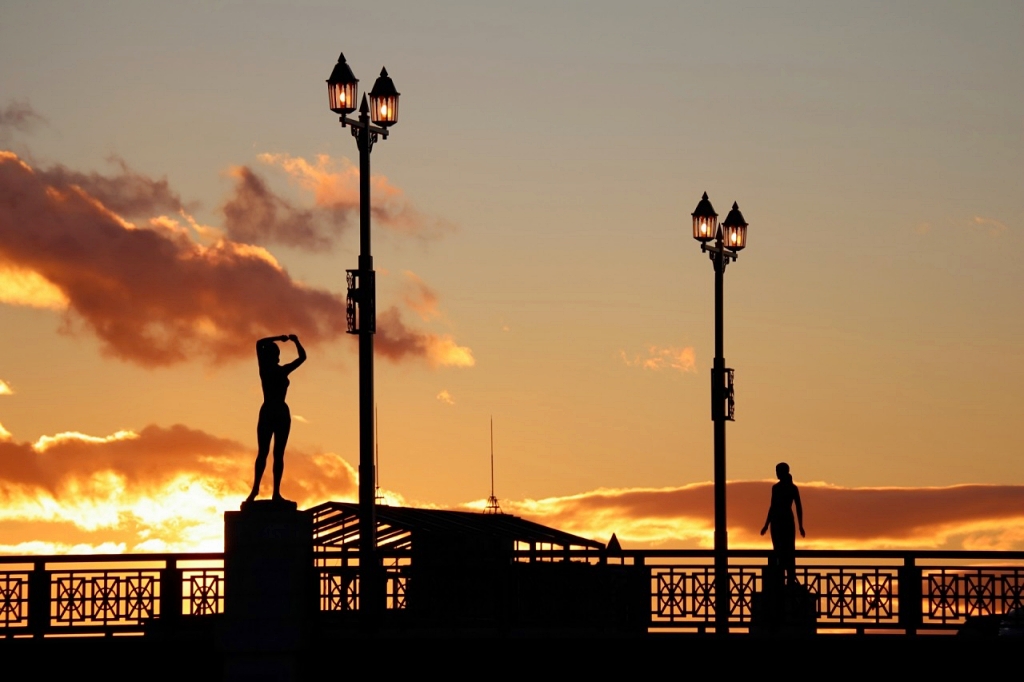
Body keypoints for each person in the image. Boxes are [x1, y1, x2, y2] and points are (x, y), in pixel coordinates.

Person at [246, 334, 306, 504]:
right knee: (263, 452)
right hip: (269, 410)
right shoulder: (265, 369)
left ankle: (276, 493)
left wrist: (295, 341)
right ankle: (255, 489)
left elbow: (302, 357)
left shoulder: (281, 370)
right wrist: (280, 338)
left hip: (281, 412)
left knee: (278, 454)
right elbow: (259, 342)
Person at [760, 462, 805, 585]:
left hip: (785, 521)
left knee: (788, 549)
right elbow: (772, 506)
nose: (776, 473)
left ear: (783, 472)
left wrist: (801, 525)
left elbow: (798, 507)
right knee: (779, 550)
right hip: (778, 521)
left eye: (778, 471)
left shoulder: (791, 488)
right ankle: (781, 578)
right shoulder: (777, 488)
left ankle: (790, 578)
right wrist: (766, 524)